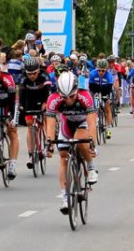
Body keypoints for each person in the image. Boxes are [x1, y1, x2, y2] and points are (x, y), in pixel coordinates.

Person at [45, 71, 99, 215]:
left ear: (77, 91)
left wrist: (92, 143)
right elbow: (50, 124)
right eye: (64, 97)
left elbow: (92, 123)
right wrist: (49, 143)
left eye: (71, 96)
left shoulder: (85, 96)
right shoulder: (53, 99)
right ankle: (65, 197)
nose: (68, 100)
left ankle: (91, 166)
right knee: (63, 156)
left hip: (83, 122)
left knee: (81, 141)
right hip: (67, 123)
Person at [18, 57, 51, 169]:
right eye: (29, 74)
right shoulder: (23, 77)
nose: (32, 76)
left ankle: (47, 139)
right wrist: (21, 107)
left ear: (38, 70)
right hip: (29, 99)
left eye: (34, 73)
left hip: (42, 96)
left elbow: (48, 91)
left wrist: (46, 103)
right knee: (30, 126)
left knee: (46, 115)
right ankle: (31, 154)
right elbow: (21, 94)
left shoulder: (44, 75)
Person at [88, 58, 116, 139]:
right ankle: (95, 117)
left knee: (107, 107)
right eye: (99, 70)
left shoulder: (109, 76)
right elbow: (91, 87)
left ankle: (109, 128)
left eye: (103, 71)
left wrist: (106, 96)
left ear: (106, 70)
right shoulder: (93, 74)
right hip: (95, 89)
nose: (101, 72)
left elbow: (109, 88)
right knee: (92, 102)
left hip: (105, 90)